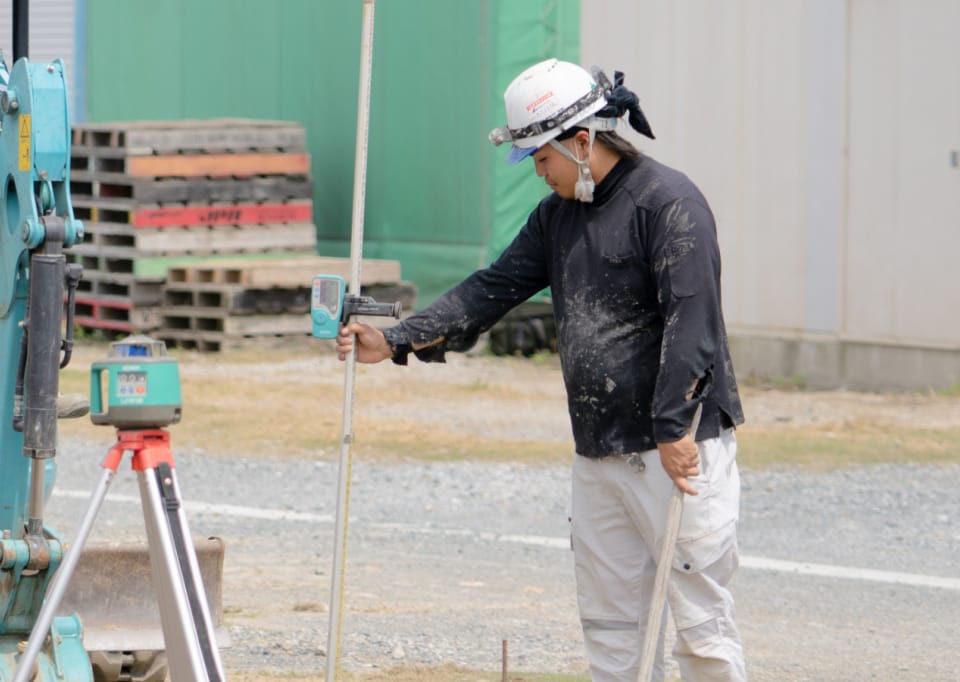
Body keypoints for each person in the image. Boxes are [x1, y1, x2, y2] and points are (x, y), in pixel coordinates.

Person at [336, 58, 746, 682]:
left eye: (542, 158)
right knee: (613, 635)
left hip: (680, 451)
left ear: (582, 141)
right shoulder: (557, 217)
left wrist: (672, 427)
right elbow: (493, 288)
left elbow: (693, 321)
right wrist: (396, 341)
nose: (539, 172)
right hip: (600, 453)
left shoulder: (669, 205)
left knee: (701, 633)